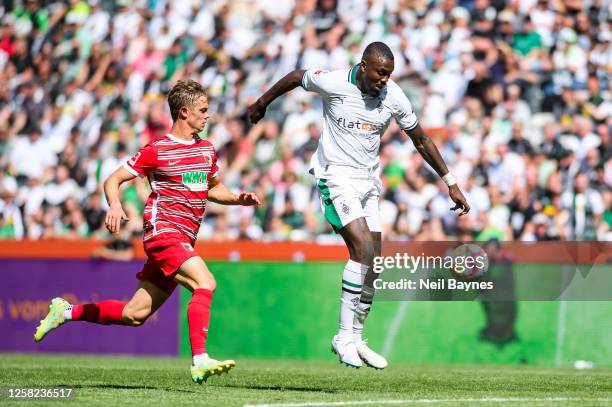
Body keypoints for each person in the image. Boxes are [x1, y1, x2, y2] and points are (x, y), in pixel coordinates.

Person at [248, 42, 470, 369]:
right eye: (381, 73)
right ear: (363, 66)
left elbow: (420, 139)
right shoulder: (335, 82)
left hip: (368, 183)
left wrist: (450, 182)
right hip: (335, 177)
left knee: (374, 265)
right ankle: (341, 336)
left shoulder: (393, 95)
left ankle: (356, 336)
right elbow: (297, 76)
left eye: (389, 75)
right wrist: (262, 102)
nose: (385, 80)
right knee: (363, 249)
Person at [34, 79, 261, 384]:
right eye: (203, 110)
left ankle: (66, 312)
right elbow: (112, 180)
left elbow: (213, 189)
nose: (208, 116)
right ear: (184, 112)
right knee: (205, 282)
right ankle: (200, 359)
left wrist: (237, 199)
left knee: (134, 314)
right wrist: (114, 206)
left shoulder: (207, 150)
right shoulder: (157, 150)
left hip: (182, 238)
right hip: (163, 233)